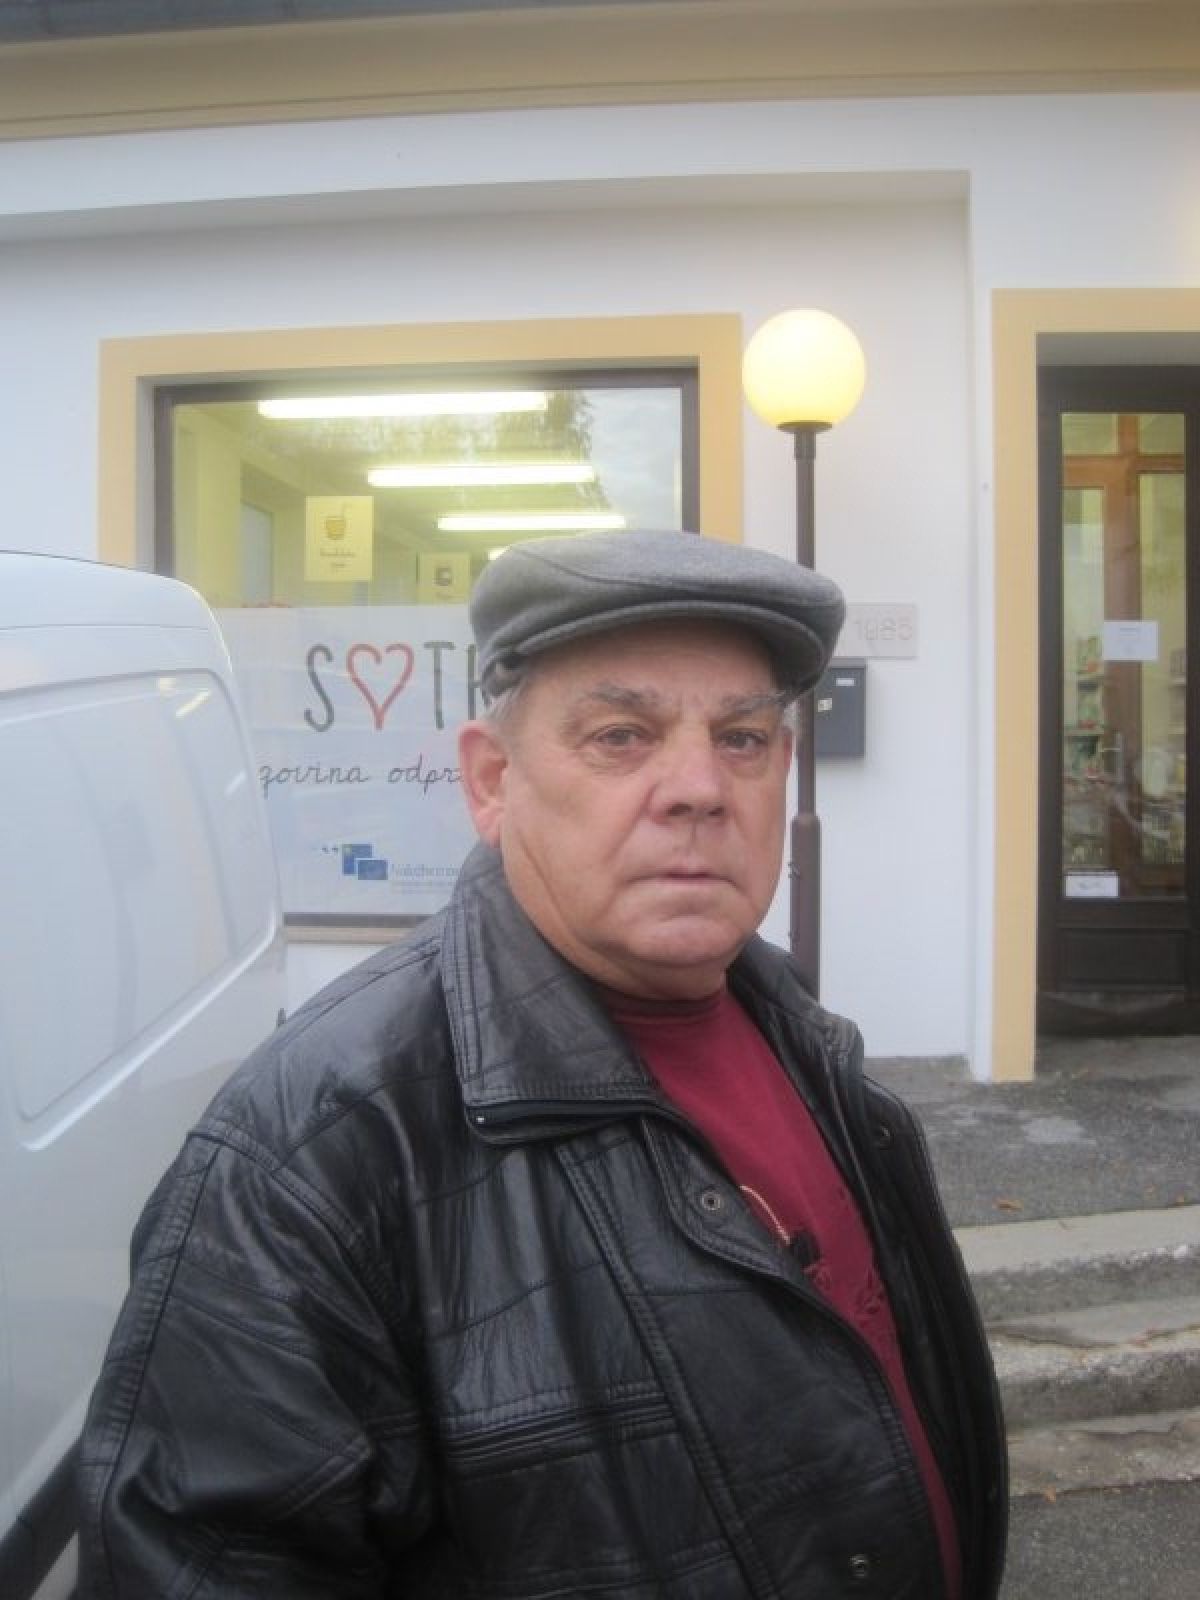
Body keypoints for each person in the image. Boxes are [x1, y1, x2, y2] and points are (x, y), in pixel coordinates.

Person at [77, 529, 1007, 1599]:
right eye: (621, 736)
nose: (700, 787)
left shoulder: (803, 1035)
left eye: (743, 738)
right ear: (492, 780)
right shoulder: (312, 1153)